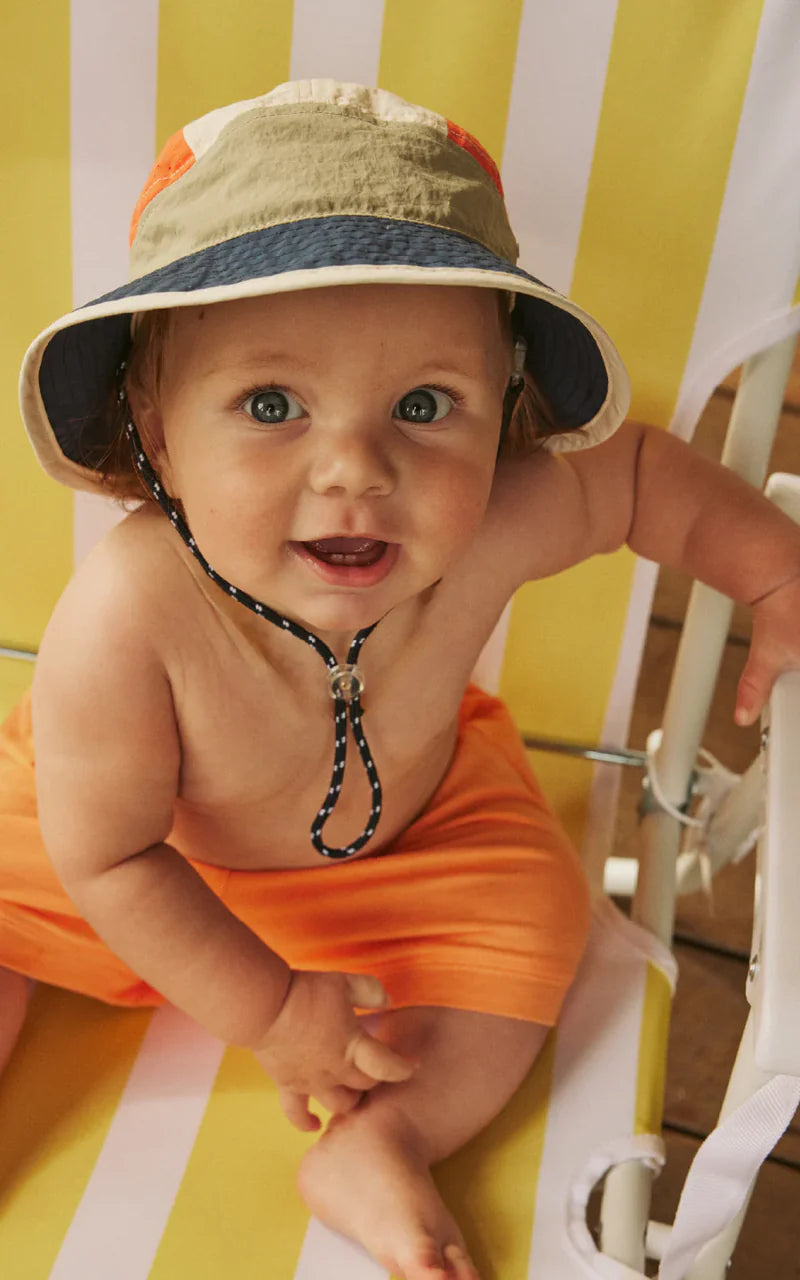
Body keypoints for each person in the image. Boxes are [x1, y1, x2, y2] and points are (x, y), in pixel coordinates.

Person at [3, 80, 800, 1280]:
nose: (355, 470)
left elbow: (638, 480)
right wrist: (271, 1012)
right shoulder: (124, 619)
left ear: (505, 416)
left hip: (405, 834)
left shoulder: (493, 524)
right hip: (121, 851)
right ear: (154, 427)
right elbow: (110, 855)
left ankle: (383, 1139)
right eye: (271, 405)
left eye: (425, 406)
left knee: (535, 923)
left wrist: (777, 579)